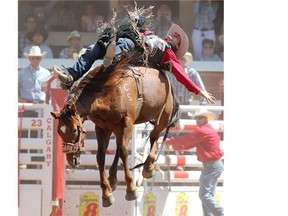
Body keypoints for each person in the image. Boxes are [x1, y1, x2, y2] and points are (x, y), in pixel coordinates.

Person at [53, 6, 215, 104]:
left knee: (125, 44)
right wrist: (136, 20)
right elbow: (139, 29)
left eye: (176, 37)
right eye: (174, 34)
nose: (172, 36)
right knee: (93, 49)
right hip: (130, 40)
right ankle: (71, 75)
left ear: (176, 45)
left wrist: (199, 91)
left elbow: (182, 75)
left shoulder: (168, 53)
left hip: (135, 50)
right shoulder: (153, 35)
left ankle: (114, 55)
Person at [165, 108, 224, 216]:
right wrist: (174, 145)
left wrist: (169, 142)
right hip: (214, 165)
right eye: (196, 118)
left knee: (204, 195)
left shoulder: (202, 131)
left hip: (211, 165)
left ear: (205, 119)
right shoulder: (207, 130)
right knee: (208, 195)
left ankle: (221, 213)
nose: (197, 120)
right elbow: (191, 143)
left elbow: (188, 139)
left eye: (199, 118)